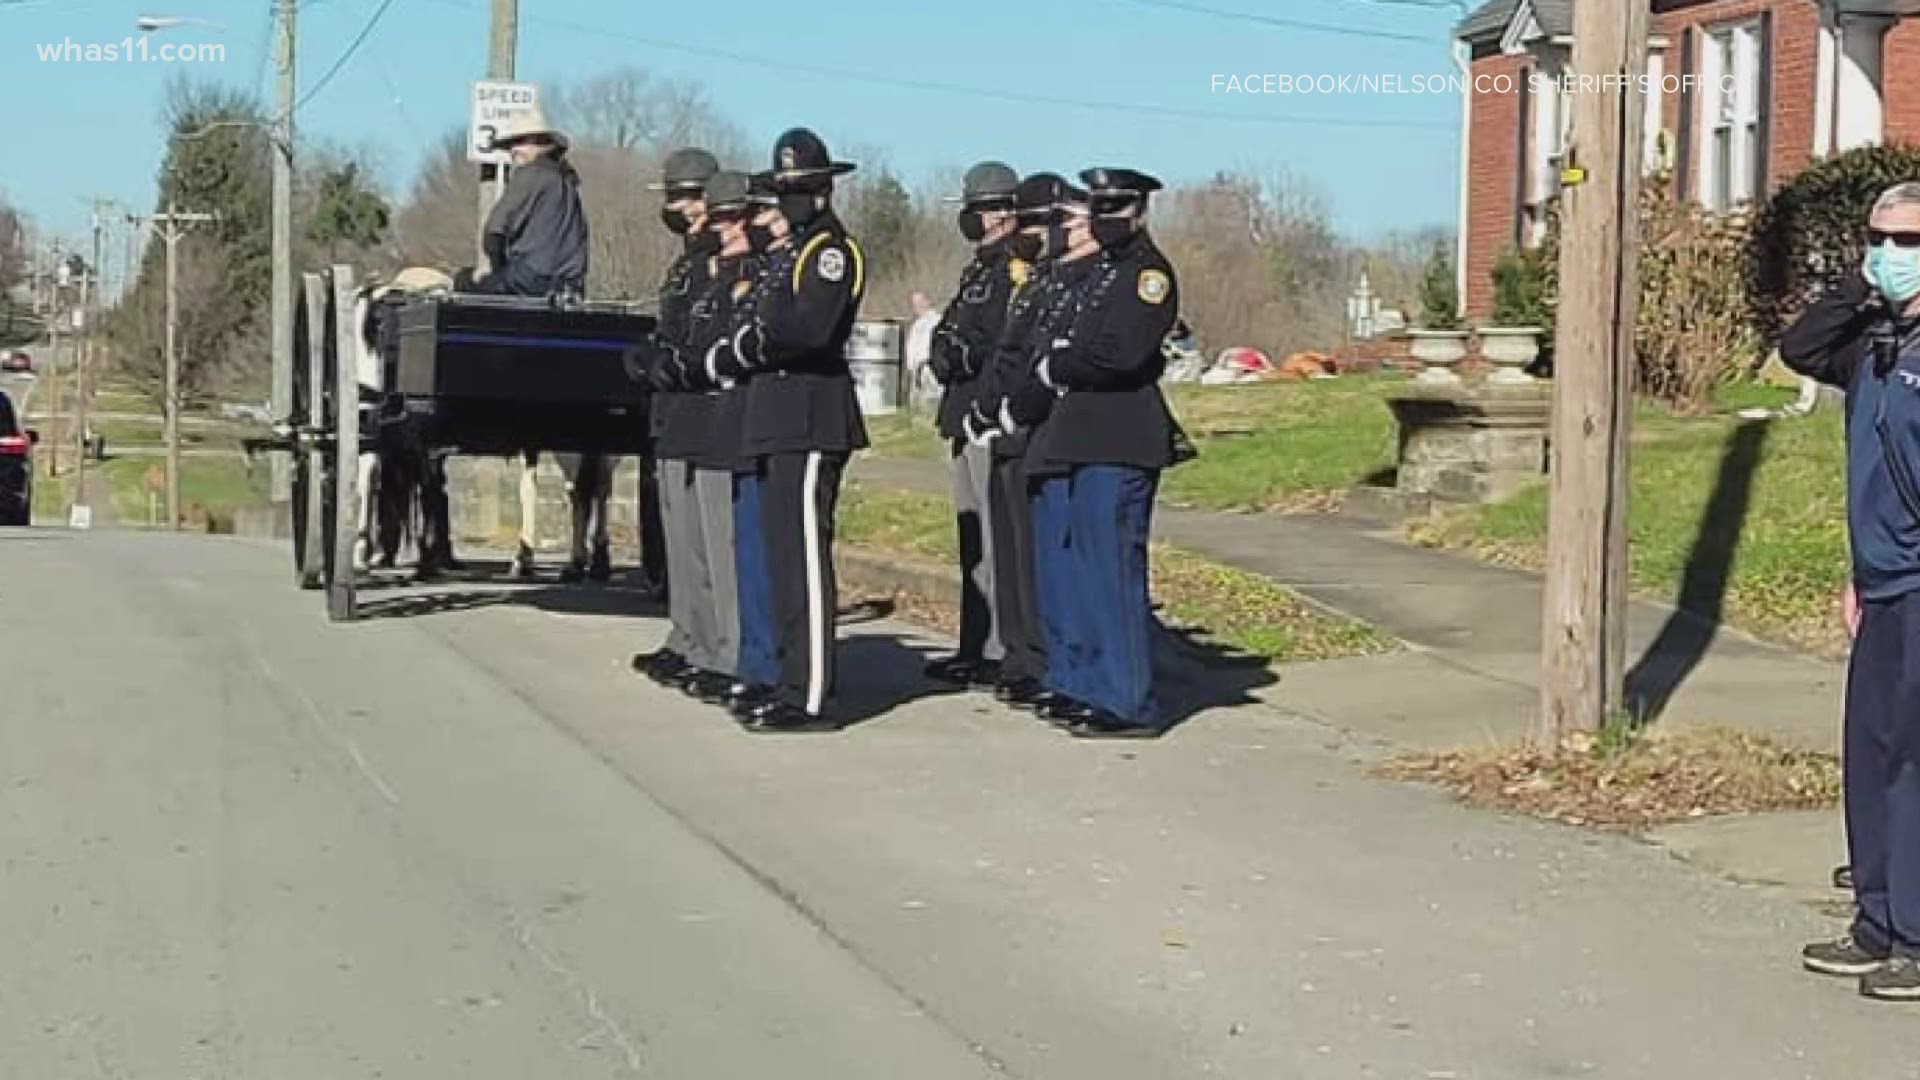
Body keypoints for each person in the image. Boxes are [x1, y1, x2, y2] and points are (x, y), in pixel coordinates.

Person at [1781, 180, 1920, 1001]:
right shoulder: (1871, 339)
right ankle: (1875, 921)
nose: (1890, 255)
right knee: (1868, 757)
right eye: (1880, 239)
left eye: (1908, 242)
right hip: (1878, 579)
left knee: (1912, 760)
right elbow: (1801, 347)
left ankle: (1914, 932)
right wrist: (1859, 287)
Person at [1005, 167, 1183, 739]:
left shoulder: (1146, 275)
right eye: (1096, 210)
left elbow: (1117, 353)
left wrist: (1059, 364)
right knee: (1076, 571)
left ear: (1137, 212)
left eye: (1114, 210)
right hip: (1077, 435)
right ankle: (1081, 683)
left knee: (1110, 573)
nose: (1102, 221)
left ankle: (1127, 700)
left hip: (1119, 435)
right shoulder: (1099, 276)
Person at [706, 129, 868, 732]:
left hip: (810, 412)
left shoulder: (829, 251)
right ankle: (783, 677)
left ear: (824, 189)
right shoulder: (785, 255)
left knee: (802, 557)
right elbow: (764, 318)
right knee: (779, 558)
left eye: (800, 188)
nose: (791, 198)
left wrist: (753, 342)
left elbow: (807, 328)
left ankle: (811, 693)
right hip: (775, 413)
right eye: (784, 189)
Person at [462, 104, 602, 582]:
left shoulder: (530, 179)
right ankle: (590, 540)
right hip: (569, 292)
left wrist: (496, 270)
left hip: (529, 282)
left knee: (465, 288)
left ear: (541, 144)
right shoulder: (569, 186)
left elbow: (494, 230)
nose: (515, 152)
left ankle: (474, 388)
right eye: (511, 146)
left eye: (519, 144)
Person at [966, 172, 1076, 712]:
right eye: (1030, 222)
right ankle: (1020, 657)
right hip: (1007, 429)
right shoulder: (1030, 280)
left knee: (1037, 558)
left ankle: (1046, 662)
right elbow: (1005, 353)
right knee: (1008, 555)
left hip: (1044, 429)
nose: (1035, 233)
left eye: (1045, 223)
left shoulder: (1062, 281)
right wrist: (985, 408)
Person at [922, 161, 1024, 691]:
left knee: (993, 536)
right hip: (961, 412)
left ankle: (1000, 649)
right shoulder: (979, 268)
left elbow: (1004, 340)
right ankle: (974, 644)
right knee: (971, 539)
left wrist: (967, 354)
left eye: (981, 208)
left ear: (1006, 212)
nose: (973, 217)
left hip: (989, 414)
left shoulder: (1014, 269)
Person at [630, 148, 724, 689]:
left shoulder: (723, 253)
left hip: (702, 406)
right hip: (672, 408)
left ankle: (712, 645)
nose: (683, 208)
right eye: (677, 198)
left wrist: (675, 360)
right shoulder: (689, 257)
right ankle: (686, 636)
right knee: (679, 535)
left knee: (704, 542)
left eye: (691, 197)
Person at [904, 292, 942, 410]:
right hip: (916, 370)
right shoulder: (917, 324)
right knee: (917, 405)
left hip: (930, 367)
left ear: (928, 301)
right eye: (914, 304)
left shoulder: (937, 320)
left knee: (931, 402)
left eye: (920, 302)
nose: (917, 306)